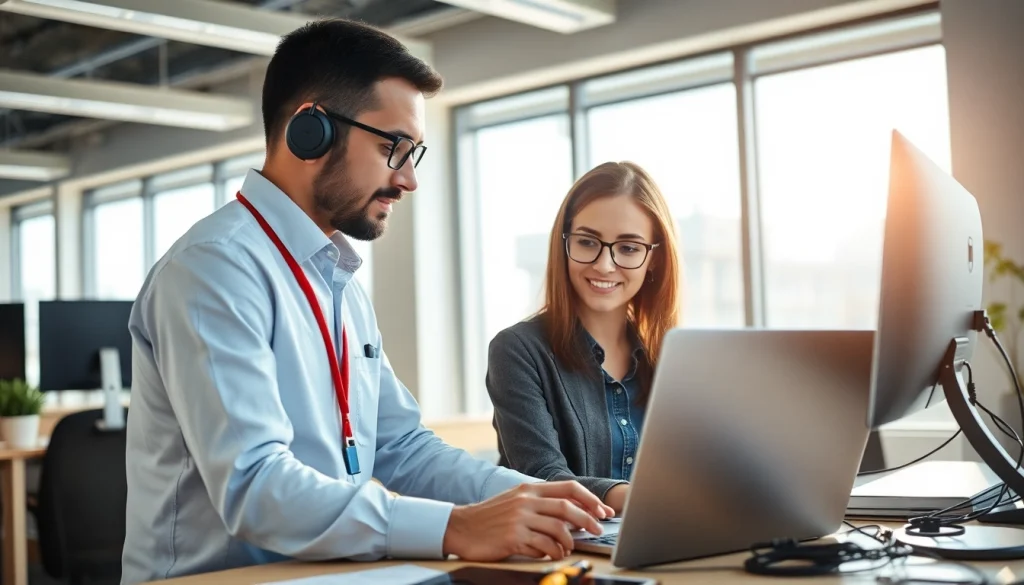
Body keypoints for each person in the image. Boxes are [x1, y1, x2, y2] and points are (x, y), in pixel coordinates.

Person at [121, 18, 613, 584]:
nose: (408, 180)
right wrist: (456, 527)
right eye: (393, 148)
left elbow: (401, 448)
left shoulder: (339, 284)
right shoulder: (214, 270)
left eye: (414, 154)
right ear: (311, 131)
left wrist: (544, 499)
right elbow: (255, 485)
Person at [486, 161, 682, 514]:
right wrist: (644, 500)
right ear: (564, 243)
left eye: (628, 248)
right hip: (564, 551)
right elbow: (541, 477)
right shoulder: (517, 351)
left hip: (668, 540)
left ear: (654, 259)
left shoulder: (675, 357)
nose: (605, 265)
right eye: (587, 242)